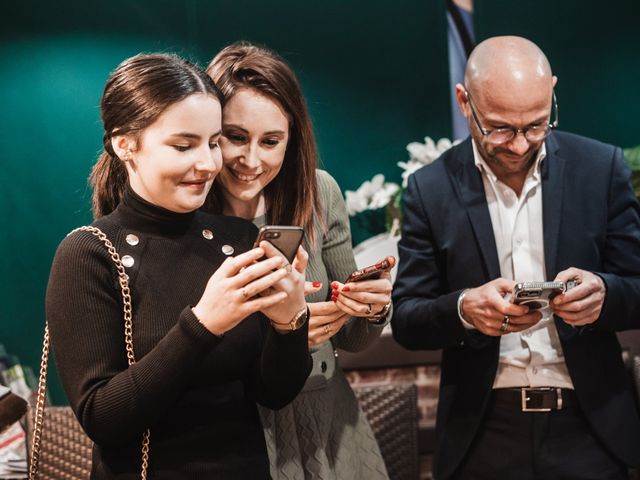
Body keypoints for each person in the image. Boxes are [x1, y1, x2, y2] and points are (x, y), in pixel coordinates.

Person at [45, 53, 312, 479]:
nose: (207, 164)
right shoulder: (89, 253)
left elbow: (275, 393)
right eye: (184, 146)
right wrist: (204, 324)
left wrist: (289, 323)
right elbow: (102, 418)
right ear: (124, 144)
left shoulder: (236, 239)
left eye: (212, 142)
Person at [392, 36, 640, 479]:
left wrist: (605, 294)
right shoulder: (429, 189)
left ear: (553, 93)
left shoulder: (601, 168)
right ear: (464, 101)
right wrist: (464, 309)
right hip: (483, 429)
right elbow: (408, 318)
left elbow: (637, 286)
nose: (521, 145)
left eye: (537, 125)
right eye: (500, 128)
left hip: (590, 425)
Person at [205, 42, 392, 479]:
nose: (252, 160)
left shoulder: (319, 192)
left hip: (327, 421)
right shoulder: (188, 206)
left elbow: (355, 339)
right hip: (234, 428)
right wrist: (287, 334)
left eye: (271, 142)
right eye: (235, 137)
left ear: (293, 138)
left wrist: (372, 305)